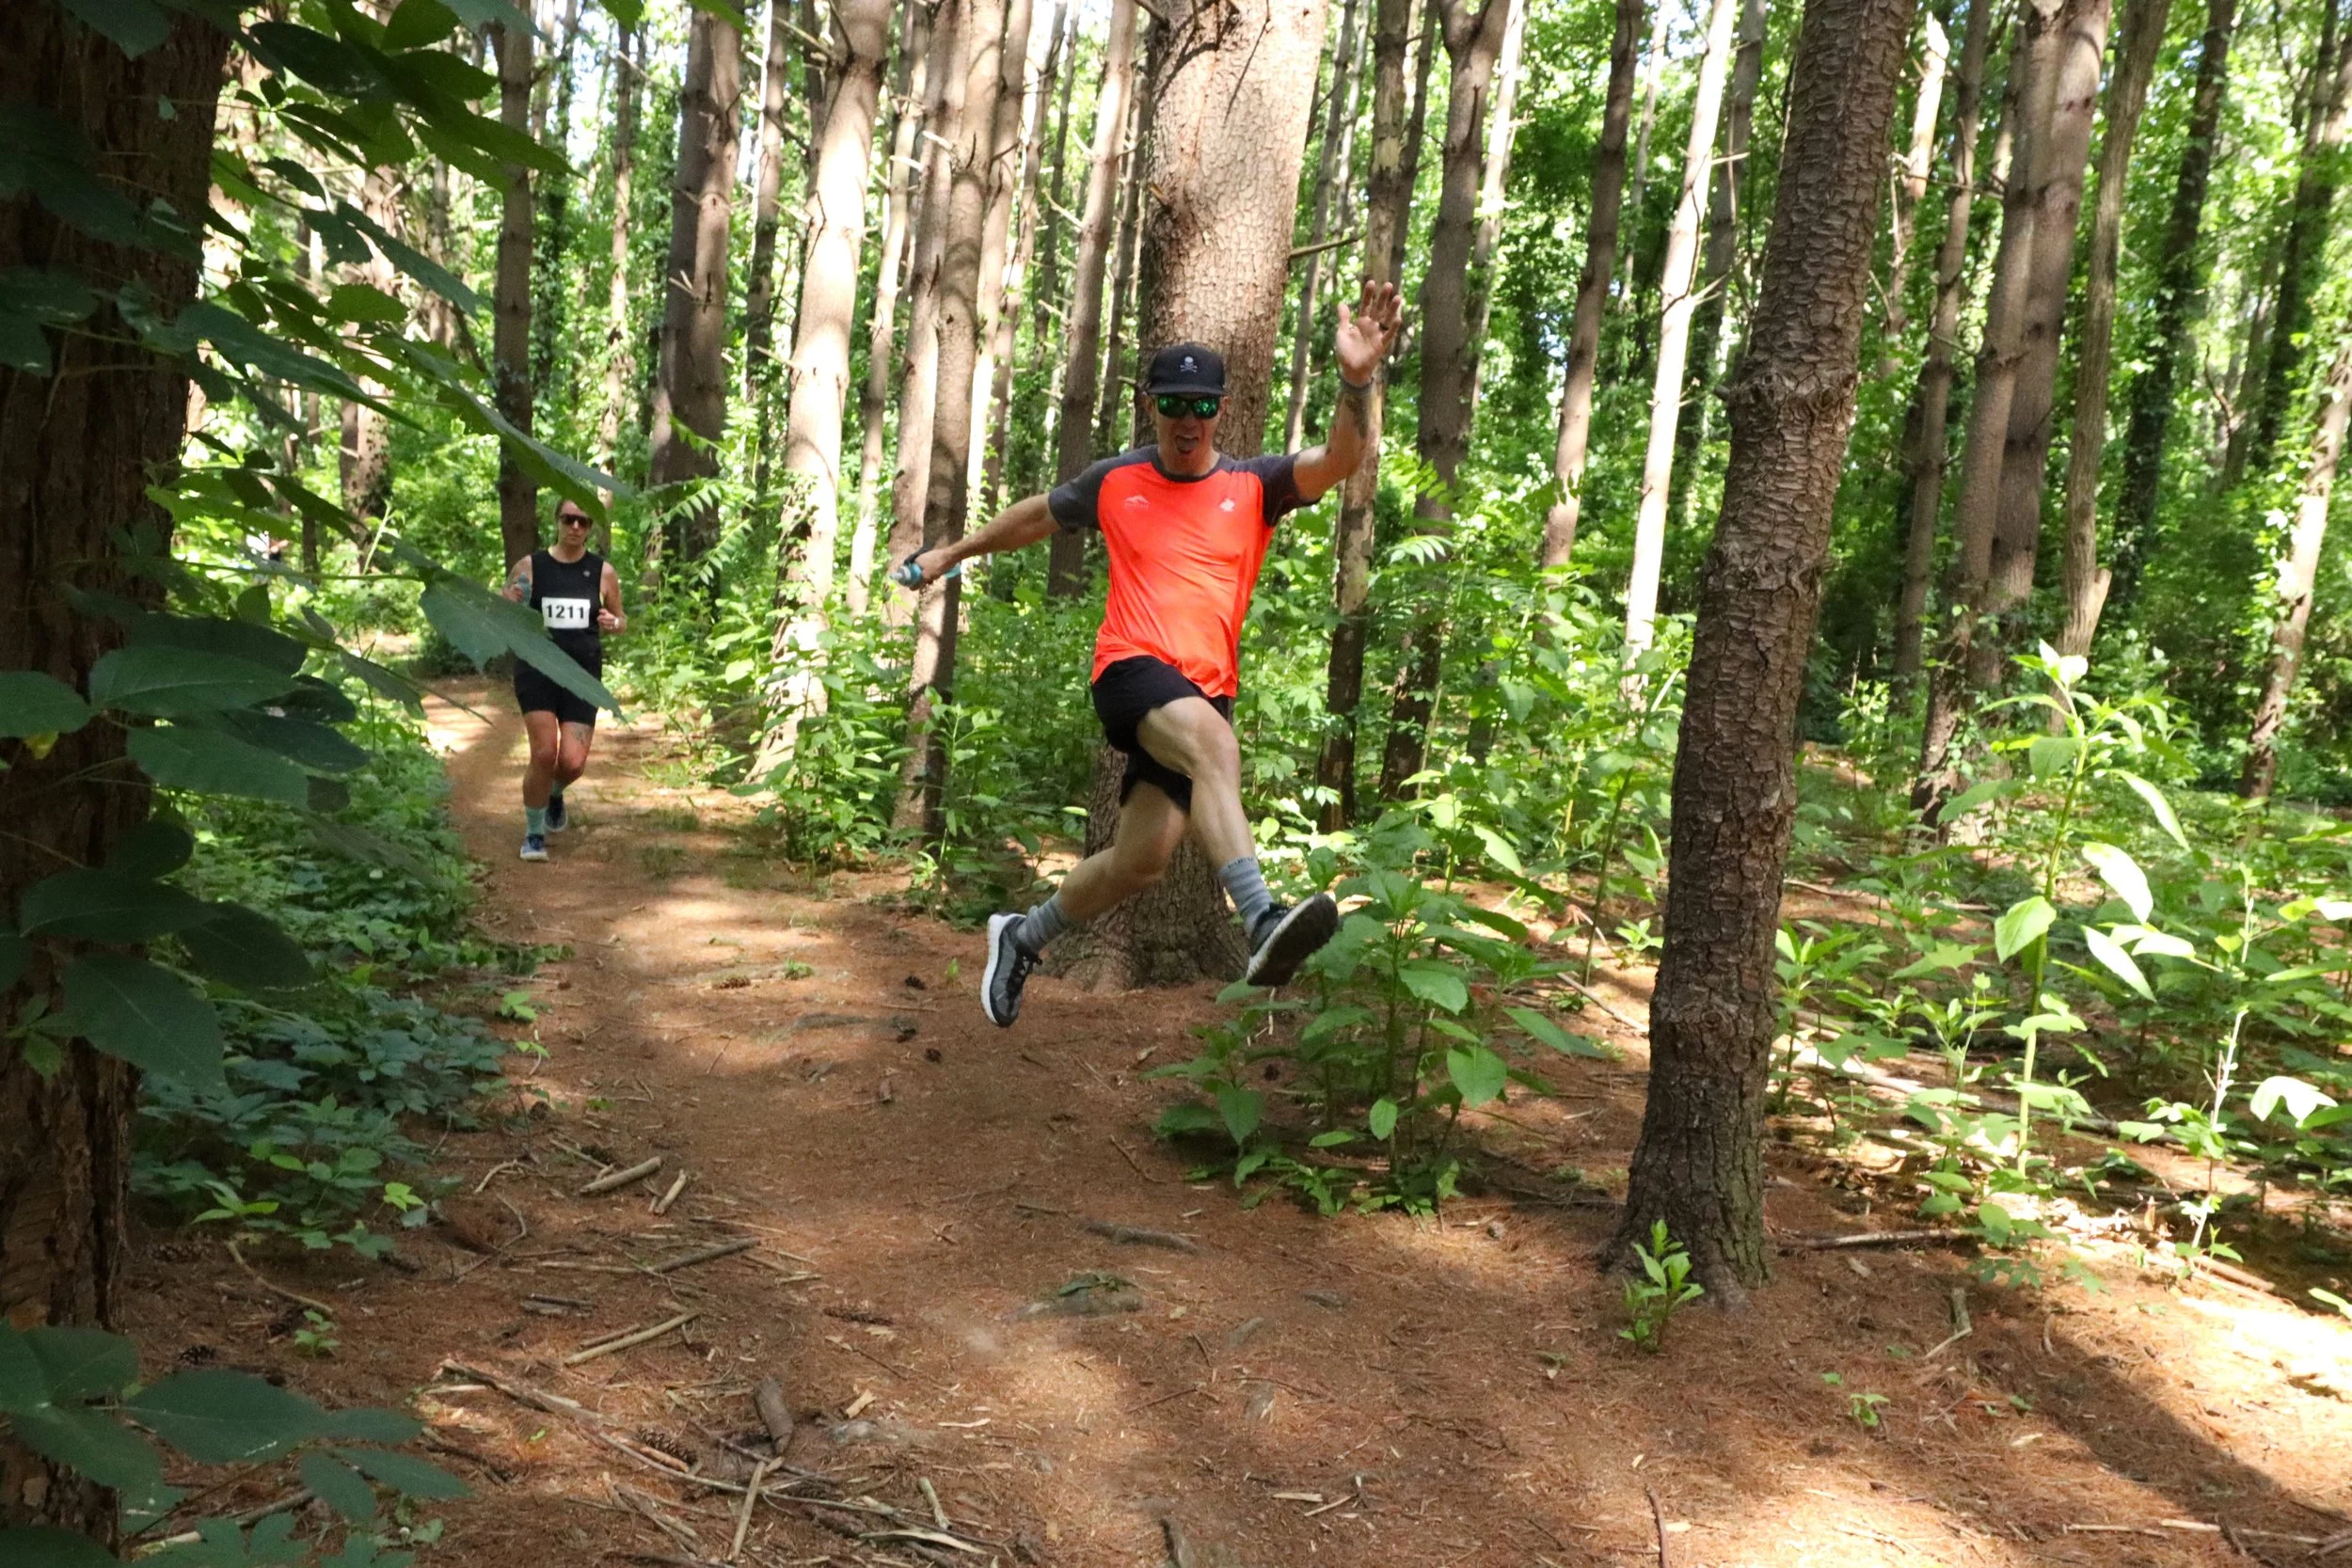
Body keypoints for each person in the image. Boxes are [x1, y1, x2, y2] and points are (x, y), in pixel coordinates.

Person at [901, 277, 1404, 1027]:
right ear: (1152, 406)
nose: (1187, 420)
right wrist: (952, 553)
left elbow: (1340, 459)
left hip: (1203, 687)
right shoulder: (1119, 479)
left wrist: (1357, 379)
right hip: (1131, 670)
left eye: (1202, 406)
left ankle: (1021, 936)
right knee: (1214, 746)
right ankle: (1262, 920)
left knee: (1142, 859)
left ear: (1222, 411)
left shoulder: (1254, 483)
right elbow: (1037, 516)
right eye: (1173, 404)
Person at [503, 499, 626, 862]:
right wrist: (508, 601)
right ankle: (534, 833)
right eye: (569, 519)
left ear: (590, 528)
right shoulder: (531, 566)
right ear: (557, 521)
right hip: (537, 669)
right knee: (543, 753)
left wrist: (614, 624)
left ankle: (553, 793)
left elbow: (621, 619)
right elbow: (503, 607)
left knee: (572, 763)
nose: (575, 527)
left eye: (583, 522)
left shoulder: (603, 572)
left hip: (582, 674)